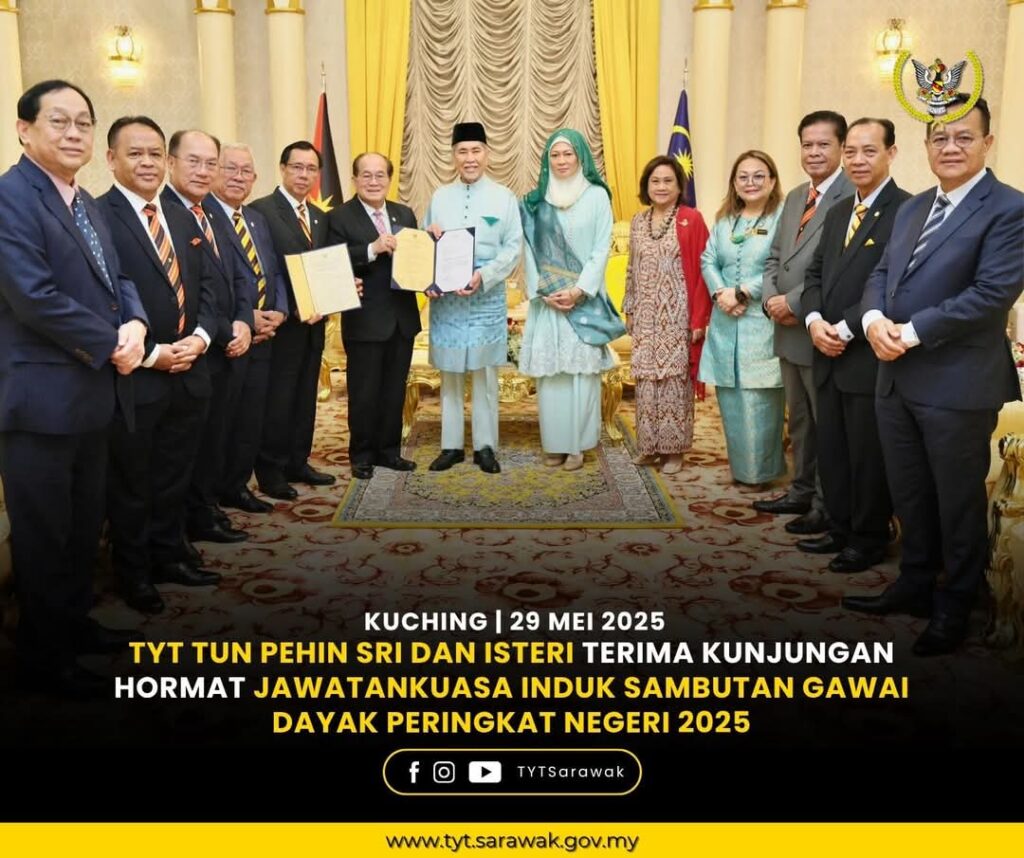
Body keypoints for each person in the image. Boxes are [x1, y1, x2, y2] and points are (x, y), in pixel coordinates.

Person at [844, 96, 1024, 656]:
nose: (950, 147)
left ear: (987, 143)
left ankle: (956, 603)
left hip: (957, 383)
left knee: (957, 500)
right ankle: (915, 583)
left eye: (963, 137)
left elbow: (992, 294)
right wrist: (872, 320)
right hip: (895, 378)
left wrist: (910, 332)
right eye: (940, 138)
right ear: (925, 146)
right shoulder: (914, 206)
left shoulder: (1009, 208)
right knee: (910, 491)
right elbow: (881, 274)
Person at [0, 79, 148, 696]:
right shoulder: (10, 197)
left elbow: (118, 278)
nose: (73, 133)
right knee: (44, 535)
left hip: (92, 393)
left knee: (84, 526)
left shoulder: (84, 201)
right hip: (41, 402)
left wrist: (136, 322)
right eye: (58, 121)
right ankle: (43, 656)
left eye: (83, 122)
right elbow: (33, 297)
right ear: (24, 129)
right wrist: (113, 341)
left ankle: (73, 624)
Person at [98, 116, 221, 615]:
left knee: (175, 473)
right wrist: (153, 353)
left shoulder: (182, 215)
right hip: (137, 374)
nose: (147, 163)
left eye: (154, 154)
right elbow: (103, 298)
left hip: (190, 368)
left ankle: (170, 554)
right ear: (112, 159)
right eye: (135, 153)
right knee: (133, 481)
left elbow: (208, 286)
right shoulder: (100, 216)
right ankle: (134, 572)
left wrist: (201, 338)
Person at [800, 118, 910, 572]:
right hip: (824, 349)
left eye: (869, 151)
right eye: (851, 152)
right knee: (834, 448)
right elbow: (814, 274)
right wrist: (812, 321)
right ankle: (840, 527)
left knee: (867, 454)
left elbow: (892, 285)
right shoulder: (839, 210)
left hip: (865, 353)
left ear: (891, 153)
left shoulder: (907, 210)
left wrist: (843, 329)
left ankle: (868, 538)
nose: (858, 160)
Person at [755, 111, 852, 536]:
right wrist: (769, 300)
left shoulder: (851, 194)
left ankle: (825, 505)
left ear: (842, 148)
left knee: (826, 423)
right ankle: (801, 489)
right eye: (807, 145)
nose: (813, 152)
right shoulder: (796, 196)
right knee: (799, 421)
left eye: (823, 144)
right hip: (786, 328)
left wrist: (793, 302)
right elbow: (775, 257)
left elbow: (837, 266)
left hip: (819, 327)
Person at [162, 129, 254, 533]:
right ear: (171, 163)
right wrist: (223, 330)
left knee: (217, 435)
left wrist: (245, 320)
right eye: (193, 161)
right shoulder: (165, 213)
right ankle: (192, 520)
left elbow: (240, 274)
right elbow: (196, 291)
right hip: (196, 349)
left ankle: (206, 509)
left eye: (210, 164)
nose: (203, 171)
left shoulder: (213, 212)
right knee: (191, 446)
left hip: (229, 345)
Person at [519, 129, 624, 471]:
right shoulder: (535, 202)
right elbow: (528, 251)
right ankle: (555, 444)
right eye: (555, 155)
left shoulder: (596, 196)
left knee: (581, 376)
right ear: (547, 160)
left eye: (568, 154)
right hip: (549, 303)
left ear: (580, 157)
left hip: (584, 302)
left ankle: (577, 446)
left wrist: (579, 290)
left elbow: (601, 248)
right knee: (552, 378)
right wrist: (544, 292)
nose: (562, 161)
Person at [424, 122, 523, 474]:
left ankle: (485, 447)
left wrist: (484, 275)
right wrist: (429, 241)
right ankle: (450, 446)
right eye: (462, 151)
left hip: (485, 295)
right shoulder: (439, 197)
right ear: (453, 156)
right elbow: (424, 245)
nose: (470, 158)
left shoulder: (503, 197)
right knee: (450, 373)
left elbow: (513, 248)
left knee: (484, 374)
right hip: (448, 300)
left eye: (476, 150)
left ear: (487, 154)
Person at [327, 152, 420, 480]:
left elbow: (417, 260)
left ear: (389, 179)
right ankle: (362, 455)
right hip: (365, 320)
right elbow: (333, 260)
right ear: (354, 179)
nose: (373, 181)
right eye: (366, 175)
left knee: (394, 390)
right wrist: (371, 248)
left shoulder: (404, 213)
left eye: (380, 175)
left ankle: (389, 451)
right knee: (364, 393)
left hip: (402, 319)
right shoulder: (339, 217)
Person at [207, 144, 290, 508]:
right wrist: (245, 317)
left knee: (251, 417)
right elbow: (209, 284)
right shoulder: (205, 216)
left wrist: (280, 311)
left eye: (246, 171)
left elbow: (273, 270)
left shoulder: (255, 218)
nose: (239, 177)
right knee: (223, 420)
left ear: (255, 178)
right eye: (230, 169)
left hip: (265, 336)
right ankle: (212, 494)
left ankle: (237, 486)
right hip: (229, 339)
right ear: (215, 171)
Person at [250, 141, 335, 497]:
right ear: (283, 168)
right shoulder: (261, 211)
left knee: (305, 396)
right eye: (297, 167)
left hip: (314, 323)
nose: (304, 175)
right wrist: (291, 305)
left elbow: (325, 265)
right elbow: (265, 268)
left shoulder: (319, 216)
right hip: (282, 324)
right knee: (278, 399)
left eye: (311, 169)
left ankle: (298, 461)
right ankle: (270, 469)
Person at [698, 150, 784, 487]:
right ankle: (742, 469)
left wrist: (744, 292)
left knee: (760, 400)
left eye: (758, 175)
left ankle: (762, 472)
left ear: (772, 181)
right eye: (743, 177)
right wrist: (721, 293)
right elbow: (708, 259)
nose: (751, 182)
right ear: (734, 183)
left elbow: (783, 265)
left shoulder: (781, 218)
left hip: (761, 322)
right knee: (731, 398)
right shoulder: (725, 220)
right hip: (725, 321)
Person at [623, 155, 711, 474]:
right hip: (645, 317)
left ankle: (673, 451)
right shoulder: (638, 221)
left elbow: (704, 272)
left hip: (678, 317)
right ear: (646, 186)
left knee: (674, 384)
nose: (661, 186)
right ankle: (649, 447)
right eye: (655, 181)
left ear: (678, 186)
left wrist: (699, 319)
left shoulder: (691, 219)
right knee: (646, 384)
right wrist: (630, 308)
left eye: (667, 181)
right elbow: (631, 268)